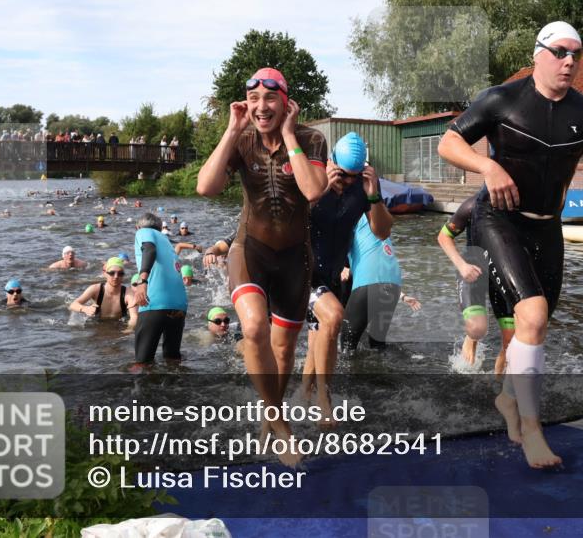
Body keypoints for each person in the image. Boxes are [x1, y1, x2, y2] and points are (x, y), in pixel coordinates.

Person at [437, 21, 583, 469]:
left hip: (548, 228)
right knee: (533, 313)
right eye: (561, 52)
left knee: (536, 329)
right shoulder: (501, 98)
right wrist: (487, 167)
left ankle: (508, 400)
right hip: (498, 218)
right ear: (539, 54)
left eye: (577, 54)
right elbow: (450, 141)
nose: (570, 61)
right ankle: (532, 430)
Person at [196, 66, 327, 466]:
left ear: (285, 102)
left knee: (284, 349)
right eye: (253, 100)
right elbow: (205, 187)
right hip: (249, 249)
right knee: (253, 328)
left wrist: (288, 136)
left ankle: (270, 416)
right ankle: (279, 420)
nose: (261, 106)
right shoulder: (243, 139)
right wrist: (231, 130)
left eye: (269, 98)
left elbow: (314, 190)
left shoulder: (310, 138)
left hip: (295, 258)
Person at [304, 132, 392, 424]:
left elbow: (382, 232)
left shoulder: (361, 190)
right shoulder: (314, 182)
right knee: (332, 318)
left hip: (330, 274)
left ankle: (304, 393)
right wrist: (319, 191)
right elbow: (288, 222)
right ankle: (323, 402)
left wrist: (374, 194)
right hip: (300, 271)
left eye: (355, 176)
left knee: (319, 333)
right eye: (342, 174)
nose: (347, 181)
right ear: (331, 164)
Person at [437, 190, 515, 374]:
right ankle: (471, 338)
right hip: (473, 268)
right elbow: (443, 236)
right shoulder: (472, 206)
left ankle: (502, 388)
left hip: (502, 273)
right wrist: (462, 266)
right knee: (477, 328)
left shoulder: (517, 209)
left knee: (511, 344)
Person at [342, 214, 420, 351]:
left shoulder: (350, 217)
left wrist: (341, 267)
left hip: (369, 280)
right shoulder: (379, 221)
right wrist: (402, 295)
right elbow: (377, 259)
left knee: (347, 345)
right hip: (393, 284)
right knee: (377, 344)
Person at [130, 212, 188, 366]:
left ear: (137, 227)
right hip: (179, 305)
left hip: (155, 302)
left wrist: (142, 281)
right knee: (172, 360)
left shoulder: (143, 232)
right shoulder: (166, 241)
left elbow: (149, 250)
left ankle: (143, 389)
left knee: (142, 363)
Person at [69, 257, 139, 332]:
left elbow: (134, 317)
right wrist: (85, 309)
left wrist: (129, 329)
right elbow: (73, 305)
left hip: (118, 325)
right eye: (112, 273)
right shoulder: (95, 289)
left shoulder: (128, 294)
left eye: (120, 273)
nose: (116, 276)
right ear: (105, 273)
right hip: (97, 324)